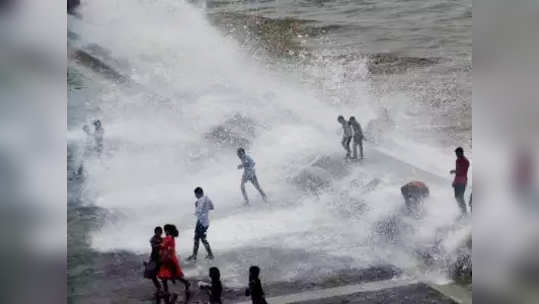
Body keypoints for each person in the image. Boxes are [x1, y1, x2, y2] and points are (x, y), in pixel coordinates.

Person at [157, 224, 190, 301]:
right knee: (168, 276)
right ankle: (185, 283)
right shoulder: (169, 237)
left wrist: (158, 245)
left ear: (169, 231)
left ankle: (167, 291)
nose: (165, 232)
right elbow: (163, 241)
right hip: (167, 258)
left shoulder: (169, 238)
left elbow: (163, 245)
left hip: (168, 259)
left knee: (169, 275)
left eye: (166, 230)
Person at [187, 187, 214, 261]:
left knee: (198, 239)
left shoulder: (200, 200)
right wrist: (205, 208)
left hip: (201, 222)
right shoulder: (207, 198)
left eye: (196, 194)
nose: (195, 196)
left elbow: (198, 211)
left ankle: (196, 255)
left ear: (199, 193)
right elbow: (212, 207)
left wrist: (196, 205)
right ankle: (207, 254)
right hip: (205, 222)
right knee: (201, 238)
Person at [450, 147, 470, 215]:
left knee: (460, 197)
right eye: (456, 153)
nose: (456, 154)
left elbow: (462, 172)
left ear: (461, 152)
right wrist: (454, 181)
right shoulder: (457, 160)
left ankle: (464, 212)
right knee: (456, 197)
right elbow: (458, 171)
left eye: (457, 153)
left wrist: (454, 171)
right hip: (457, 181)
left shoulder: (466, 161)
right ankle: (461, 211)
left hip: (462, 181)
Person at [145, 226, 163, 294]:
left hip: (160, 259)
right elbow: (153, 246)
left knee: (160, 274)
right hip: (154, 259)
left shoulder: (161, 239)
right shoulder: (153, 239)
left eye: (160, 232)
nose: (159, 233)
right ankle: (159, 288)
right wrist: (160, 245)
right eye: (157, 232)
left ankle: (161, 289)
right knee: (152, 275)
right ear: (155, 232)